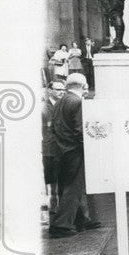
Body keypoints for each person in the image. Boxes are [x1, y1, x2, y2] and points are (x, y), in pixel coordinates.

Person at [48, 73, 101, 237]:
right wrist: (89, 149)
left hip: (61, 150)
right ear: (83, 86)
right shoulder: (78, 102)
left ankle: (81, 220)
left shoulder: (60, 102)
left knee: (68, 186)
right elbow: (81, 131)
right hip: (74, 151)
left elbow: (55, 128)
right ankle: (60, 225)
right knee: (74, 188)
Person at [42, 81, 65, 220]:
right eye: (58, 89)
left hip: (62, 148)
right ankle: (53, 203)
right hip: (50, 148)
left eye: (63, 89)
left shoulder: (63, 105)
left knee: (61, 177)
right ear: (49, 90)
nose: (61, 92)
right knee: (51, 178)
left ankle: (59, 205)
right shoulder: (43, 108)